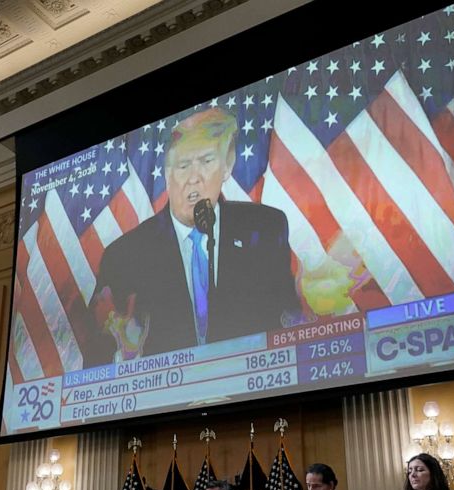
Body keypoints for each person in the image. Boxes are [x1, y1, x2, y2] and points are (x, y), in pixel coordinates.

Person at [88, 107, 301, 363]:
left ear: (227, 166)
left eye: (207, 161)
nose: (193, 179)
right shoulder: (125, 254)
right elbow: (98, 354)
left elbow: (290, 319)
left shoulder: (265, 229)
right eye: (183, 165)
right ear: (167, 174)